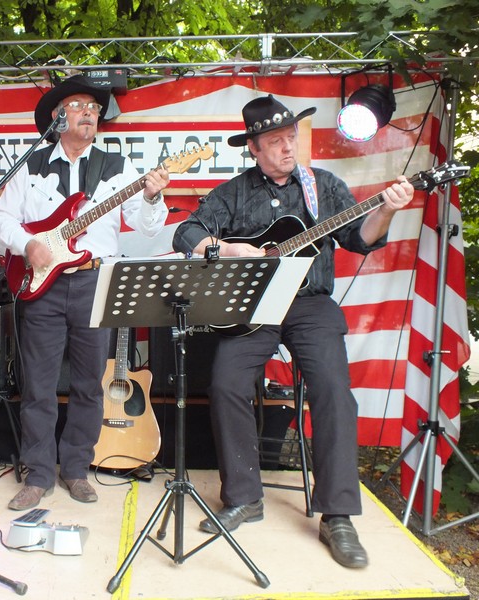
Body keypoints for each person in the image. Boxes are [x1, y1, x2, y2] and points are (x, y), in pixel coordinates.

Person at [172, 95, 414, 568]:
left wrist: (386, 208)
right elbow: (187, 232)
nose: (287, 147)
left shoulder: (324, 186)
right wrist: (224, 247)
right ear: (255, 149)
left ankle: (337, 514)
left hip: (311, 305)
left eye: (291, 138)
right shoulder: (234, 192)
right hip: (255, 307)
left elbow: (359, 237)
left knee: (334, 391)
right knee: (224, 383)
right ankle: (244, 495)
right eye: (275, 142)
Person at [0, 74, 170, 511]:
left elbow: (149, 226)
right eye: (78, 105)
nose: (89, 111)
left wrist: (151, 198)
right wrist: (28, 245)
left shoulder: (117, 167)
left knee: (91, 383)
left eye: (93, 106)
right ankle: (37, 473)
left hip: (94, 280)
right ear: (57, 117)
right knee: (39, 384)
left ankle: (75, 469)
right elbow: (0, 219)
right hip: (42, 284)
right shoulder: (31, 165)